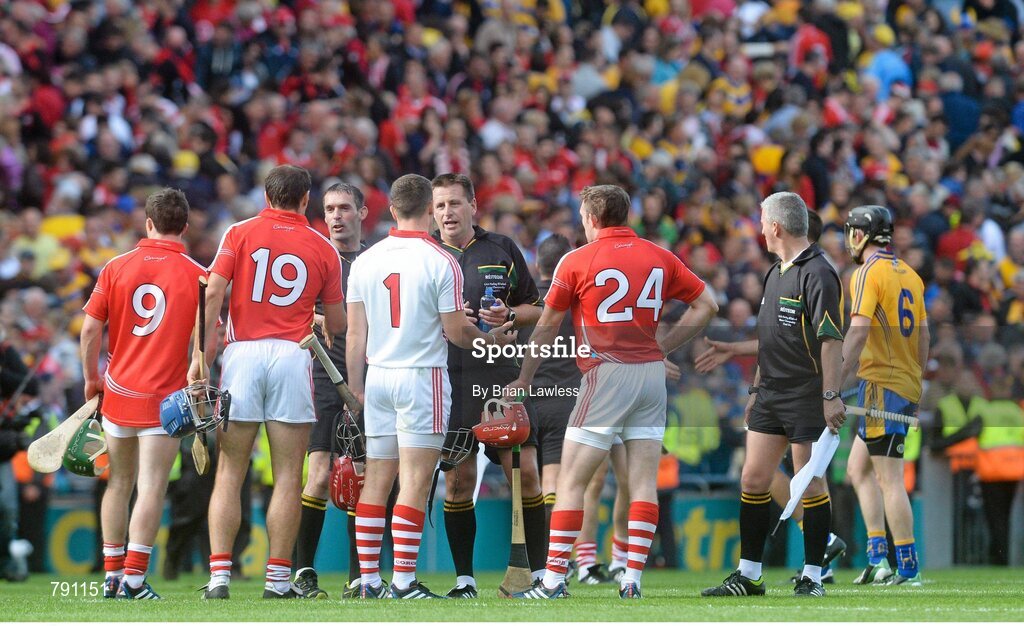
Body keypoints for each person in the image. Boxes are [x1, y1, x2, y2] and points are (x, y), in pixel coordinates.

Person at [507, 184, 718, 599]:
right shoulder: (660, 255)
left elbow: (547, 325)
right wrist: (664, 347)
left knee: (570, 479)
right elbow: (707, 305)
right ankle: (632, 578)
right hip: (651, 377)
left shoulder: (577, 259)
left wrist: (526, 377)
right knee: (641, 482)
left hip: (606, 374)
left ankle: (551, 581)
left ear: (591, 218)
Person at [345, 174, 516, 600]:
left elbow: (353, 334)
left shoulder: (366, 260)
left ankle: (368, 581)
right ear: (428, 210)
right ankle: (403, 581)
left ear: (391, 209)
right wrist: (491, 340)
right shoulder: (442, 261)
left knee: (377, 480)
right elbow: (457, 332)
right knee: (417, 481)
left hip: (378, 375)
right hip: (423, 378)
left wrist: (356, 389)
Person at [194, 165, 347, 600]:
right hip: (292, 356)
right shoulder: (322, 247)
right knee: (286, 476)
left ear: (266, 194)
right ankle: (278, 581)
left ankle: (220, 577)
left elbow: (212, 291)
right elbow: (336, 322)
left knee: (230, 471)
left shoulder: (239, 232)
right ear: (305, 200)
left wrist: (202, 355)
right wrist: (317, 316)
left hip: (242, 354)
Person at [701, 192, 845, 598]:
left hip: (806, 394)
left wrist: (830, 394)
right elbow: (769, 339)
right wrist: (756, 386)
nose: (761, 229)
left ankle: (813, 576)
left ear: (777, 227)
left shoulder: (817, 273)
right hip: (771, 393)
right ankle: (749, 575)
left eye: (763, 222)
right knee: (753, 477)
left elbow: (832, 339)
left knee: (809, 483)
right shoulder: (775, 271)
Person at [80, 188, 208, 599]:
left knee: (118, 483)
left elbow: (88, 330)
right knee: (152, 486)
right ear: (185, 227)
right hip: (165, 397)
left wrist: (90, 379)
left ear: (148, 223)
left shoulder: (117, 266)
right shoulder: (197, 273)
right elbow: (206, 339)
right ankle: (134, 579)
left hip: (118, 390)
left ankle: (112, 576)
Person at [431, 173, 545, 597]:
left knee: (526, 474)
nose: (447, 213)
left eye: (455, 203)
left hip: (499, 375)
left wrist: (510, 317)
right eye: (440, 206)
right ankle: (464, 580)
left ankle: (537, 577)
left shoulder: (502, 248)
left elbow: (538, 308)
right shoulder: (426, 254)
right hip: (448, 380)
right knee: (460, 480)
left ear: (473, 205)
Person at [840, 205, 929, 586]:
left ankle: (907, 566)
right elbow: (924, 337)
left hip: (880, 383)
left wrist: (833, 381)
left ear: (859, 235)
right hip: (901, 382)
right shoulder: (911, 275)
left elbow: (858, 332)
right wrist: (916, 380)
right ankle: (879, 558)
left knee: (889, 477)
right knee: (857, 470)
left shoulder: (866, 273)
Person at [292, 183, 368, 600]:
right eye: (329, 210)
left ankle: (361, 576)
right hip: (322, 372)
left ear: (363, 212)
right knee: (319, 475)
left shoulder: (376, 260)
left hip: (369, 374)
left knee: (364, 475)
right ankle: (304, 571)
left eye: (344, 208)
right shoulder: (314, 256)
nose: (336, 216)